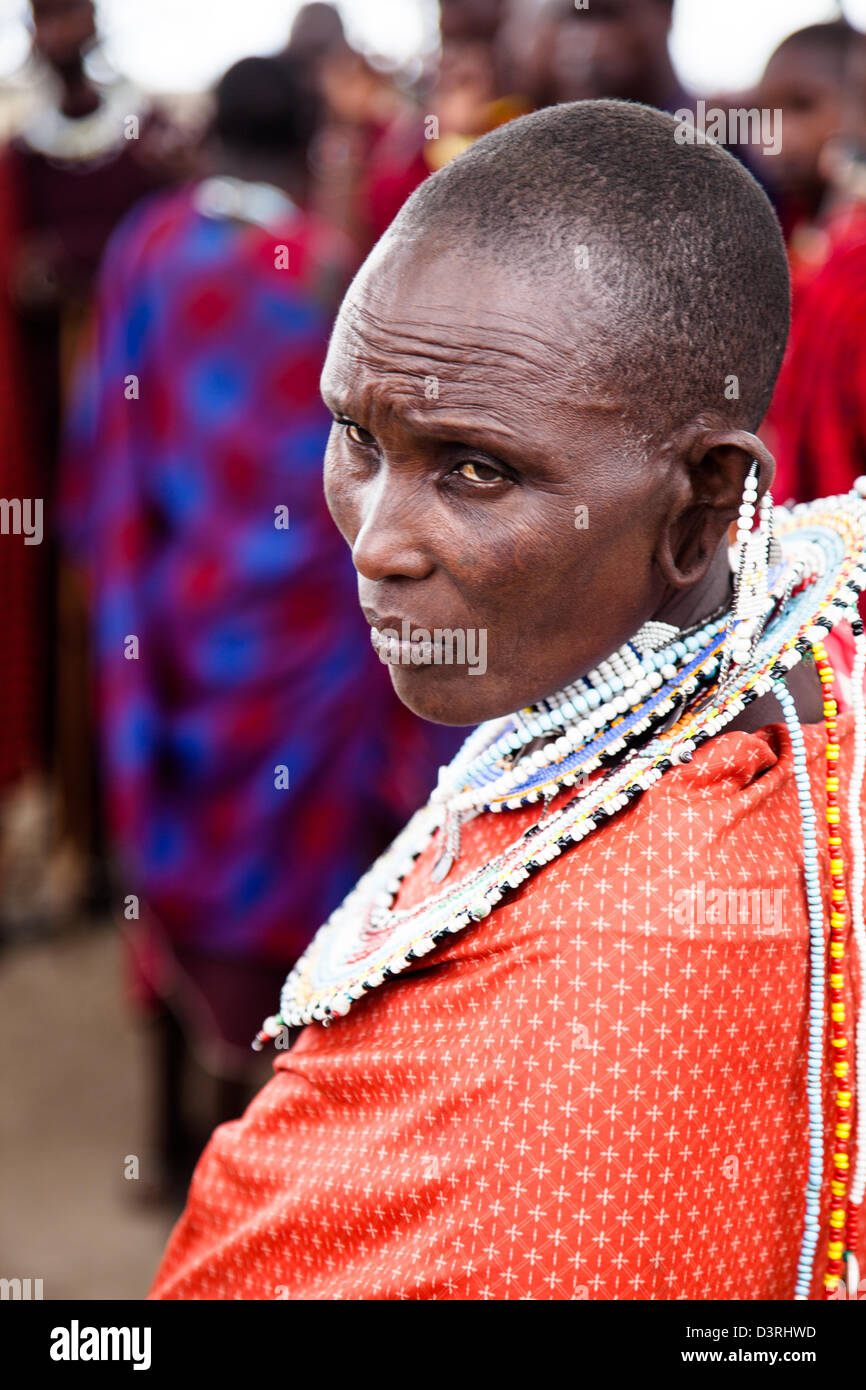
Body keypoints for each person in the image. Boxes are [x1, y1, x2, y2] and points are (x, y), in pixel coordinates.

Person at [150, 101, 866, 1301]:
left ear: (702, 503)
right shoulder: (808, 577)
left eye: (474, 469)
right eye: (355, 436)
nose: (376, 543)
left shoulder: (585, 1008)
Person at [61, 55, 459, 1199]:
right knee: (303, 887)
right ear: (311, 150)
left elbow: (105, 441)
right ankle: (271, 1163)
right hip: (311, 647)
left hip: (178, 629)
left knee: (175, 859)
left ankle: (166, 1139)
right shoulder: (332, 276)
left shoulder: (148, 247)